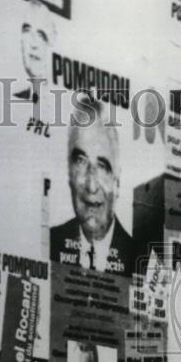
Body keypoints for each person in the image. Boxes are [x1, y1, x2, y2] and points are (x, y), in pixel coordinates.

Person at [50, 94, 138, 276]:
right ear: (69, 173)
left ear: (117, 180)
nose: (91, 186)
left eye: (102, 166)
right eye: (81, 162)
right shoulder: (48, 245)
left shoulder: (140, 263)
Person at [14, 0, 55, 106]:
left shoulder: (64, 106)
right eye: (27, 32)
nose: (34, 44)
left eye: (41, 36)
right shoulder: (13, 102)